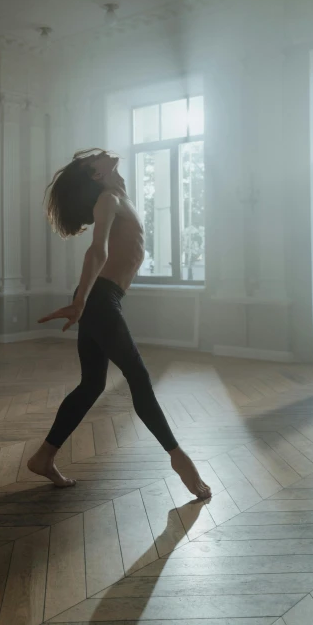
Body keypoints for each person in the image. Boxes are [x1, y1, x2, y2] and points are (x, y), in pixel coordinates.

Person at [27, 150, 211, 500]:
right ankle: (178, 457)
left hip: (101, 298)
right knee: (137, 376)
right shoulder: (108, 199)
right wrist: (81, 299)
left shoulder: (119, 196)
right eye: (92, 158)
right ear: (95, 175)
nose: (100, 153)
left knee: (92, 384)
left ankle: (44, 457)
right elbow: (97, 251)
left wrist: (84, 297)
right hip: (98, 299)